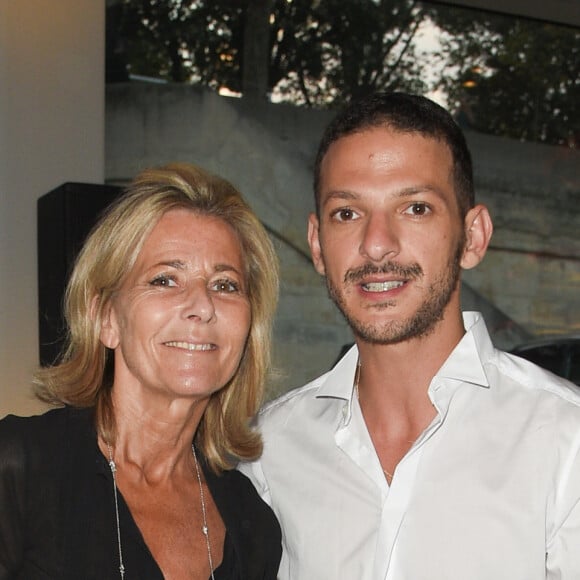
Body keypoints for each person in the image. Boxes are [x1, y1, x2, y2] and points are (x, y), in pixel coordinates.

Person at [239, 92, 580, 579]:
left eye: (415, 208)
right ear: (317, 244)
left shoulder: (566, 444)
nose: (377, 243)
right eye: (347, 213)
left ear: (474, 236)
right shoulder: (271, 449)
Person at [0, 163, 282, 579]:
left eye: (225, 285)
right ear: (106, 318)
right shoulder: (21, 467)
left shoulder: (252, 523)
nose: (202, 307)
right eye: (166, 280)